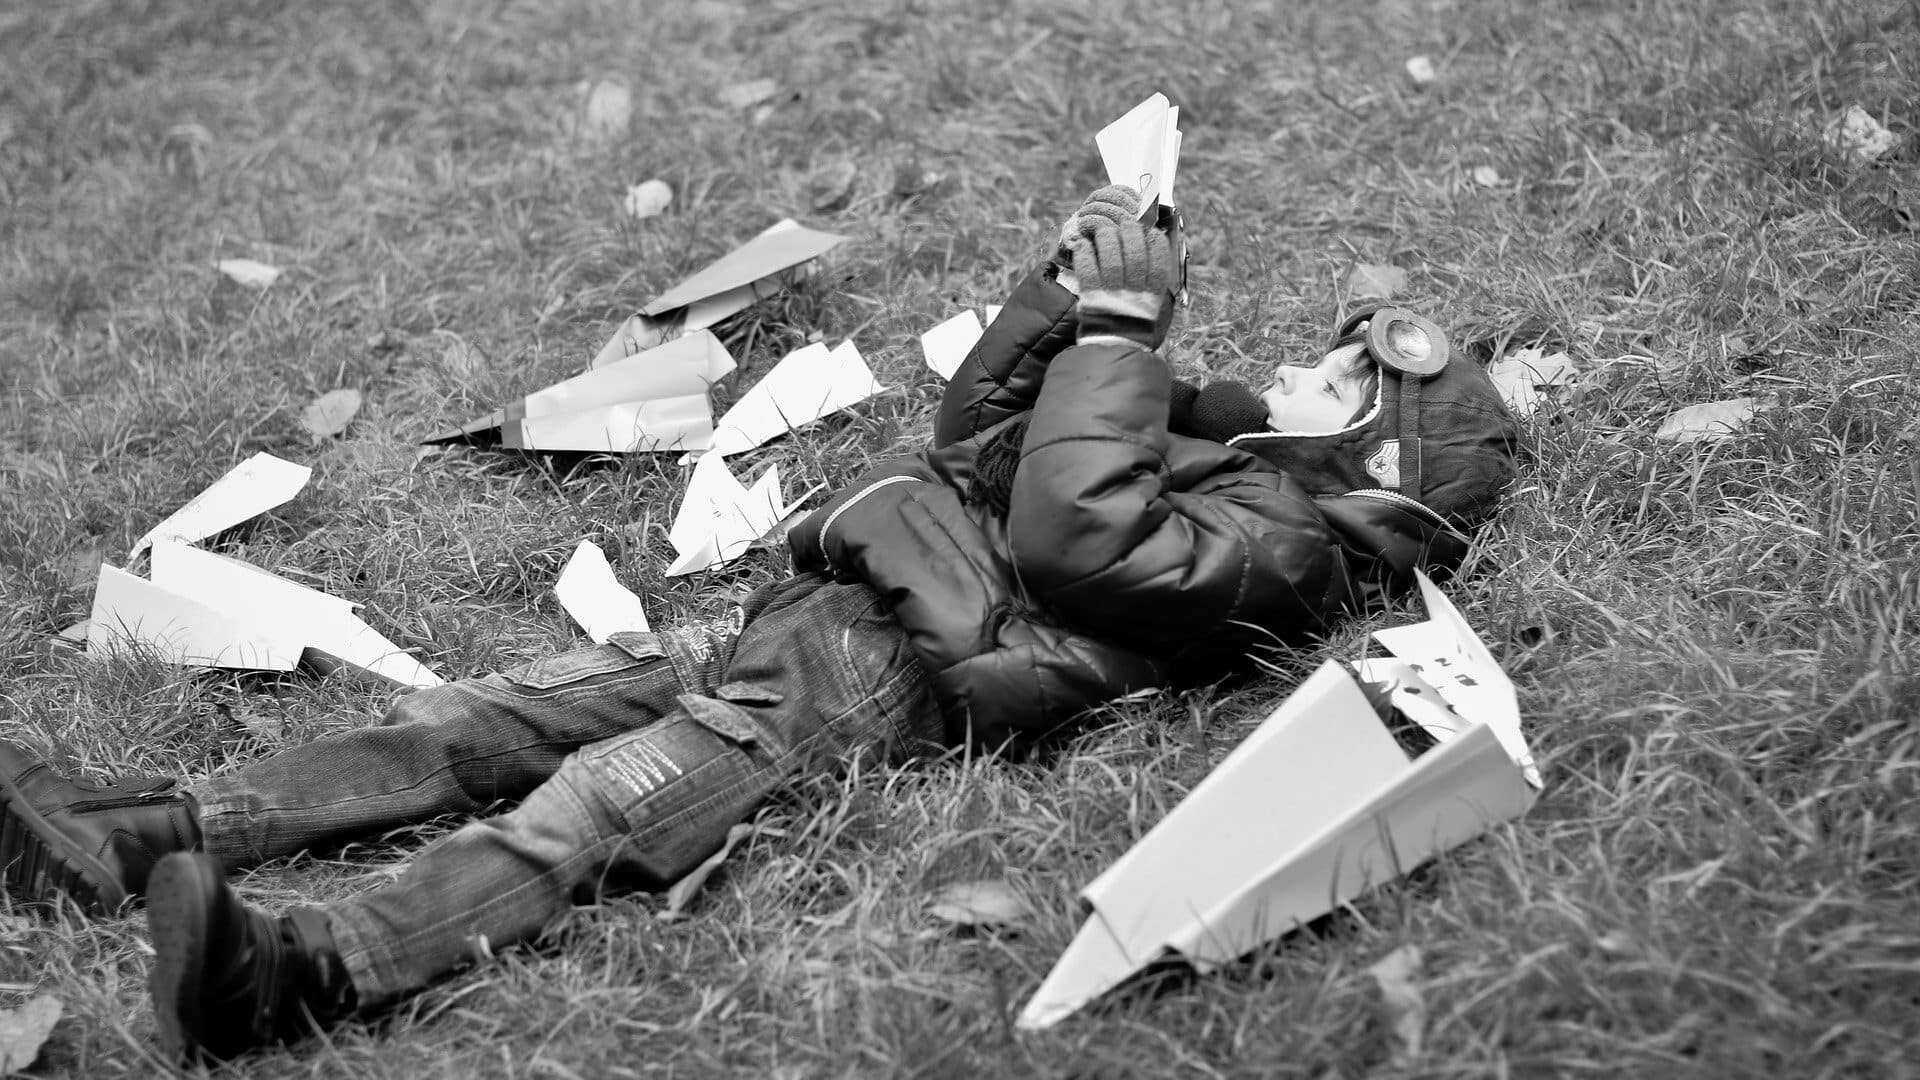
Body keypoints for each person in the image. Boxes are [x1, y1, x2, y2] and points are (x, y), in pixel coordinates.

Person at [0, 185, 1519, 1063]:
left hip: (881, 681)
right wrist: (1063, 308)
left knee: (586, 812)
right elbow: (984, 437)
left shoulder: (1288, 547)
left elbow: (1075, 535)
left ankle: (293, 975)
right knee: (484, 718)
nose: (1306, 367)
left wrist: (1124, 343)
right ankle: (147, 832)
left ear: (1379, 464)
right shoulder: (1231, 444)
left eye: (1342, 382)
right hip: (820, 606)